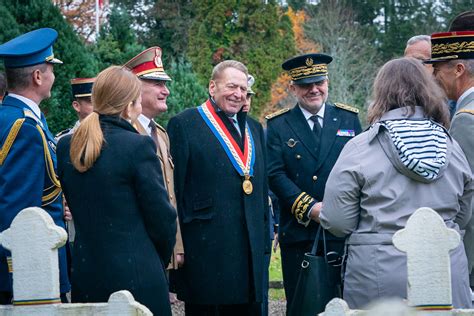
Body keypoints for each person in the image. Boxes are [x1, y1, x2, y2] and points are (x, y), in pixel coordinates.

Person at [317, 57, 473, 309]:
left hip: (377, 275)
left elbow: (337, 221)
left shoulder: (360, 148)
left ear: (381, 93)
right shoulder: (451, 146)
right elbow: (464, 214)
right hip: (444, 270)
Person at [56, 66, 177, 315]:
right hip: (135, 274)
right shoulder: (137, 146)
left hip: (88, 273)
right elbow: (162, 218)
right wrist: (158, 260)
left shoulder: (68, 145)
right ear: (131, 104)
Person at [167, 60, 268, 315]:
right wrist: (178, 245)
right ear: (213, 87)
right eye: (231, 86)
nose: (238, 94)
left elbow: (261, 187)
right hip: (207, 251)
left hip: (249, 252)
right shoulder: (185, 124)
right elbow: (176, 190)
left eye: (243, 89)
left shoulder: (254, 128)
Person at [266, 53, 361, 311]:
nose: (314, 89)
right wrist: (311, 208)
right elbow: (274, 175)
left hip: (342, 230)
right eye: (306, 85)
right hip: (299, 232)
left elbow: (362, 167)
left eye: (319, 82)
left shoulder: (348, 119)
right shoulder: (278, 125)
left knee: (342, 305)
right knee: (302, 304)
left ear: (327, 82)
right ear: (293, 88)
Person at [0, 28, 70, 304]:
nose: (54, 76)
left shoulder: (16, 118)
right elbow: (20, 212)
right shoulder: (25, 128)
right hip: (33, 272)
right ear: (38, 76)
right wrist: (21, 271)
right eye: (51, 69)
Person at [123, 47, 184, 272]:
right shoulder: (125, 132)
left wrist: (176, 245)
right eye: (157, 84)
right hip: (135, 248)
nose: (166, 91)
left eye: (165, 84)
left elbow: (170, 194)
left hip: (160, 246)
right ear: (135, 87)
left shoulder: (161, 133)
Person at [426, 30, 474, 289]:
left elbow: (465, 196)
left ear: (458, 69)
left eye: (436, 69)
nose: (433, 77)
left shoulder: (466, 118)